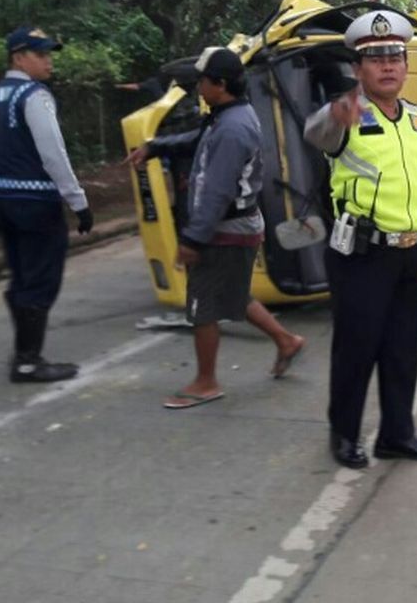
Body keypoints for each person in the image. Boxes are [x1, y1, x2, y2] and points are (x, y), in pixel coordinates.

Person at [304, 10, 417, 469]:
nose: (388, 65)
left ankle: (397, 435)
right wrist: (336, 111)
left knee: (403, 348)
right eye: (375, 58)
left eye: (395, 56)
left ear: (406, 65)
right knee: (357, 349)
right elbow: (315, 133)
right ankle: (344, 435)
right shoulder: (347, 115)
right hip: (361, 252)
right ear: (358, 70)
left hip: (410, 251)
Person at [124, 47, 305, 409]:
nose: (197, 88)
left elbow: (217, 191)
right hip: (236, 227)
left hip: (225, 229)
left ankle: (205, 382)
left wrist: (193, 239)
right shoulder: (226, 116)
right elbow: (197, 141)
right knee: (235, 294)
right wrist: (156, 146)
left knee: (202, 305)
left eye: (201, 81)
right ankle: (286, 340)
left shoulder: (233, 128)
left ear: (219, 84)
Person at [0, 26, 93, 382]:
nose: (48, 62)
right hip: (35, 203)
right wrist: (79, 202)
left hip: (3, 200)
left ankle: (24, 352)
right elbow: (53, 154)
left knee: (21, 276)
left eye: (48, 54)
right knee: (41, 280)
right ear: (18, 57)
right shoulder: (34, 96)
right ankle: (28, 360)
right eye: (40, 55)